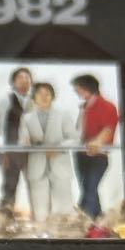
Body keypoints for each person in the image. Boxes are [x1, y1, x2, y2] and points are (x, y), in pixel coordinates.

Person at [19, 82, 78, 220]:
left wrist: (58, 148)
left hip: (60, 166)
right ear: (34, 98)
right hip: (37, 167)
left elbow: (74, 139)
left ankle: (63, 232)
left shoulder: (63, 115)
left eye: (47, 94)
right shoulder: (27, 118)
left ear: (52, 96)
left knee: (64, 209)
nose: (44, 97)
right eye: (40, 94)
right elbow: (23, 141)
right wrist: (26, 143)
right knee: (40, 212)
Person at [72, 73, 120, 220]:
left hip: (98, 155)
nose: (76, 91)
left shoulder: (107, 106)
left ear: (86, 87)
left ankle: (84, 218)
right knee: (88, 189)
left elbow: (108, 128)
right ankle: (98, 218)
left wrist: (98, 142)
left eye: (77, 88)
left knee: (89, 190)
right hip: (81, 154)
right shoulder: (84, 107)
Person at [0, 67, 33, 210]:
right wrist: (3, 152)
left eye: (27, 78)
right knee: (10, 187)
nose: (24, 80)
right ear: (13, 82)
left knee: (35, 185)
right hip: (11, 151)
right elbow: (0, 127)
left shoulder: (35, 101)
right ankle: (5, 216)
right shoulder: (6, 101)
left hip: (32, 152)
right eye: (20, 78)